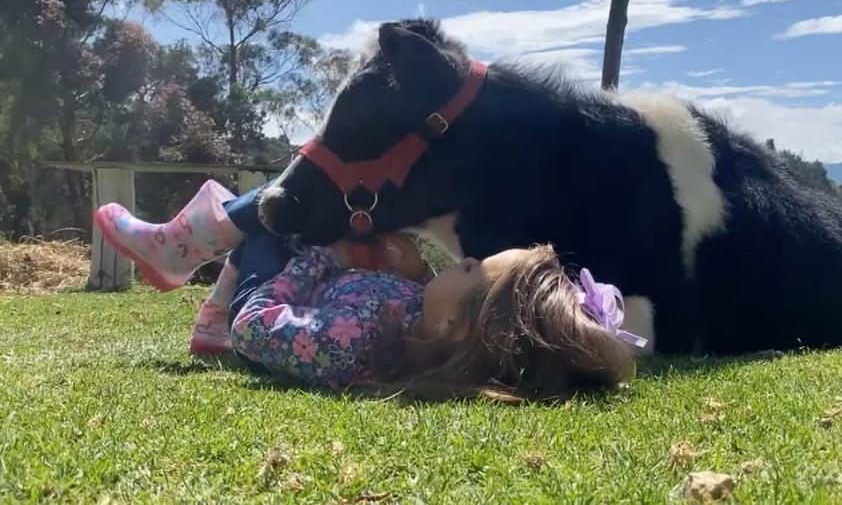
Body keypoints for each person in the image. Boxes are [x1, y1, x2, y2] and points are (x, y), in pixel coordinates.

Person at [94, 181, 645, 400]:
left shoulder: (349, 342)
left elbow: (258, 325)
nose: (461, 260)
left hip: (263, 301)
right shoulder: (423, 322)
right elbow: (415, 302)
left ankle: (182, 257)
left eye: (471, 268)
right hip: (326, 284)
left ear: (456, 325)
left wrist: (321, 260)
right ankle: (195, 283)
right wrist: (410, 274)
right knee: (289, 200)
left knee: (287, 200)